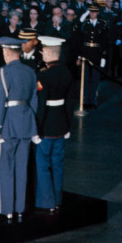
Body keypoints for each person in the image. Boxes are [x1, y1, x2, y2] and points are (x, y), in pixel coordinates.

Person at [0, 37, 39, 223]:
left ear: (6, 52)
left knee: (4, 168)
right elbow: (34, 100)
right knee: (21, 168)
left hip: (8, 125)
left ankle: (6, 209)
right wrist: (29, 121)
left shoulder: (2, 72)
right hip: (26, 124)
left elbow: (0, 101)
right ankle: (20, 208)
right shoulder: (30, 71)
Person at [34, 37, 73, 214]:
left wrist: (37, 127)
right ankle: (57, 199)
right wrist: (68, 126)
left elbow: (41, 105)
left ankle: (46, 201)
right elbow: (70, 103)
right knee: (58, 164)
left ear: (49, 53)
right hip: (61, 125)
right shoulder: (67, 72)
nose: (42, 53)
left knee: (42, 164)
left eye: (43, 51)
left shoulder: (43, 74)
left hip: (46, 126)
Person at [77, 4, 108, 109]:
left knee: (95, 78)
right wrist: (79, 56)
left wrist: (104, 56)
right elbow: (80, 40)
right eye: (91, 12)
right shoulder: (84, 24)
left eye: (95, 12)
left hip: (97, 54)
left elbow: (105, 41)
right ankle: (85, 99)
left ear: (98, 13)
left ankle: (93, 100)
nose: (93, 14)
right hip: (86, 53)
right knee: (85, 78)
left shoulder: (103, 24)